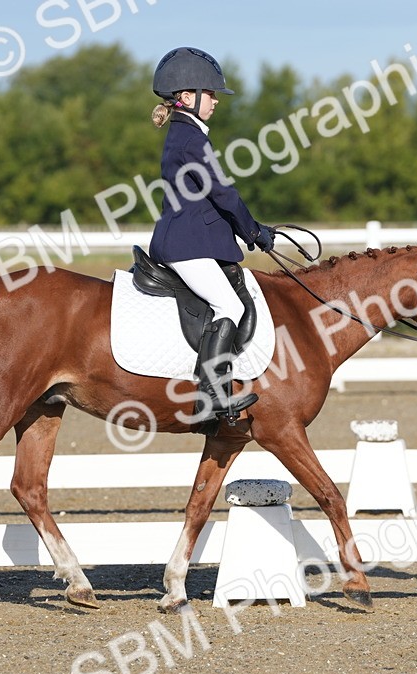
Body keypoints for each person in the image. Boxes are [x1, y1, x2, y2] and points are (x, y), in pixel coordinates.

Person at [148, 46, 275, 426]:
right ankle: (213, 395)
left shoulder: (187, 135)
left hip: (190, 240)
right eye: (211, 94)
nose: (216, 101)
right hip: (187, 245)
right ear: (187, 97)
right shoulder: (191, 140)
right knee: (231, 307)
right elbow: (223, 194)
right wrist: (253, 231)